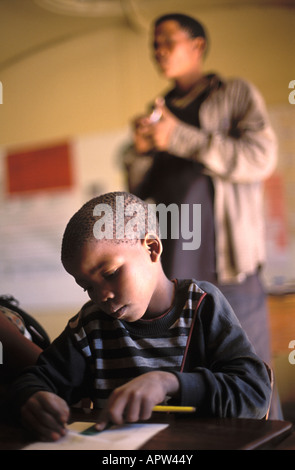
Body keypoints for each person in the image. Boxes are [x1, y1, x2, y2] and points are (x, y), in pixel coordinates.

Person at [11, 191, 271, 442]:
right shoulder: (90, 327)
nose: (101, 296)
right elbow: (35, 378)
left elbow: (254, 393)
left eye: (110, 273)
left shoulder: (203, 305)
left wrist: (169, 382)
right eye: (87, 287)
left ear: (152, 248)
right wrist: (32, 397)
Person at [122, 13, 279, 416]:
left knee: (252, 376)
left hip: (231, 268)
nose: (158, 52)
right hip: (176, 272)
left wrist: (177, 137)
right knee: (188, 381)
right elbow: (140, 191)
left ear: (197, 46)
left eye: (168, 42)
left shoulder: (235, 94)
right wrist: (141, 151)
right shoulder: (157, 111)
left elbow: (261, 157)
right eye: (154, 45)